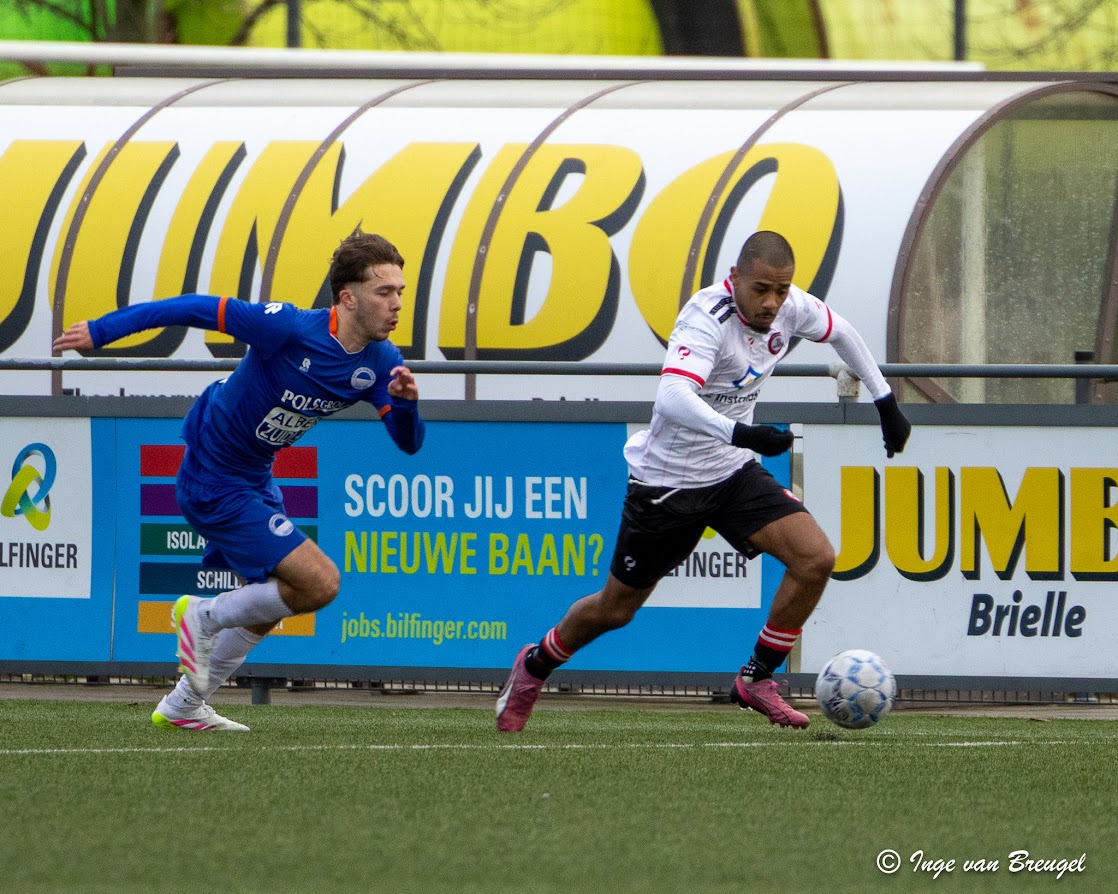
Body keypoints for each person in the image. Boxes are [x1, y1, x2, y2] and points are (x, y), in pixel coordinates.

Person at [496, 230, 910, 732]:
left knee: (815, 557)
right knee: (615, 609)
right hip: (667, 484)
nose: (772, 302)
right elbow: (672, 397)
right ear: (734, 279)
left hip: (731, 472)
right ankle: (534, 665)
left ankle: (757, 677)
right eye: (761, 289)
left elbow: (842, 331)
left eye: (781, 290)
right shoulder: (705, 316)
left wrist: (885, 401)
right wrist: (742, 431)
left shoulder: (788, 306)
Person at [53, 230, 424, 732]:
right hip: (213, 474)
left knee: (274, 599)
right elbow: (193, 307)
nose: (397, 303)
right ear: (348, 297)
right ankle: (202, 616)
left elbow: (407, 441)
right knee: (321, 582)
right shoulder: (289, 328)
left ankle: (184, 704)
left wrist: (405, 404)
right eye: (385, 292)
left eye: (401, 291)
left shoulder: (380, 361)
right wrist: (101, 330)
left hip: (253, 475)